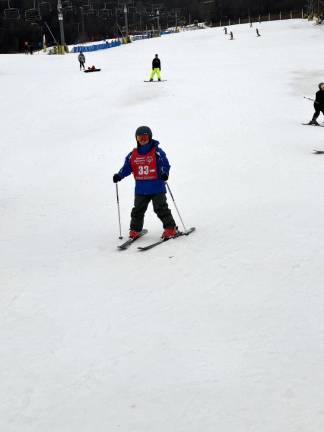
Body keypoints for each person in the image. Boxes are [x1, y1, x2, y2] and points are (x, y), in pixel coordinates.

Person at [113, 126, 178, 239]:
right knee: (137, 210)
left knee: (160, 208)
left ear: (150, 137)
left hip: (156, 187)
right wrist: (119, 175)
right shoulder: (132, 155)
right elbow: (127, 167)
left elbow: (164, 164)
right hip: (141, 189)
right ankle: (135, 230)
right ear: (136, 139)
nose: (142, 141)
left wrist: (164, 173)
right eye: (140, 138)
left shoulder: (157, 152)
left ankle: (170, 228)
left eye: (145, 138)